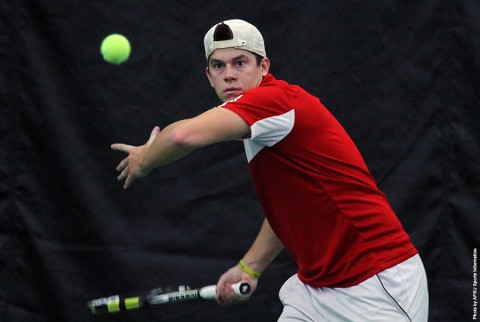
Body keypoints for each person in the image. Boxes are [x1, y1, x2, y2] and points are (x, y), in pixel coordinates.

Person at [111, 19, 429, 321]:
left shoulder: (275, 102)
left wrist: (146, 159)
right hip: (315, 290)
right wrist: (250, 267)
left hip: (377, 281)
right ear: (208, 76)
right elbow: (289, 206)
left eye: (240, 63)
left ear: (263, 67)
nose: (229, 75)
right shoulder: (259, 122)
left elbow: (182, 136)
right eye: (219, 67)